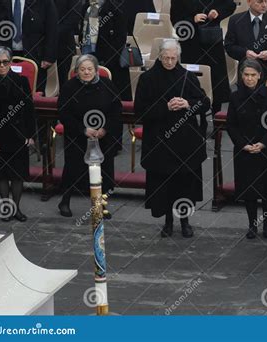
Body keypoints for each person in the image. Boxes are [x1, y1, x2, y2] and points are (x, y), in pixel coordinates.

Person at [134, 39, 210, 238]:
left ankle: (185, 222)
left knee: (185, 183)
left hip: (185, 141)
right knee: (164, 184)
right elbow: (140, 112)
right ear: (159, 56)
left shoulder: (187, 77)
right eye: (166, 58)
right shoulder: (148, 79)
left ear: (178, 58)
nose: (169, 62)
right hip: (159, 140)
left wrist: (187, 104)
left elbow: (204, 103)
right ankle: (168, 222)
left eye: (173, 58)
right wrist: (165, 108)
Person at [226, 59, 267, 239]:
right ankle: (252, 225)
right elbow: (231, 125)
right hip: (245, 149)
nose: (250, 79)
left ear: (260, 76)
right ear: (241, 76)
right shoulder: (235, 97)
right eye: (246, 75)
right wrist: (243, 144)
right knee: (249, 190)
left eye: (253, 75)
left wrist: (263, 143)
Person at [57, 54, 122, 217]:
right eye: (82, 69)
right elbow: (63, 113)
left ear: (96, 70)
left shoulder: (107, 85)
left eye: (89, 69)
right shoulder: (69, 87)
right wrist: (83, 129)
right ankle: (65, 201)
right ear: (77, 71)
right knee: (73, 167)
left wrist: (105, 129)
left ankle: (101, 206)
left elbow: (116, 110)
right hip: (78, 135)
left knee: (104, 171)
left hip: (103, 137)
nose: (86, 72)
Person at [0, 46, 36, 222]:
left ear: (10, 62)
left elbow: (29, 110)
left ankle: (16, 208)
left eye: (5, 62)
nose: (2, 66)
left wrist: (31, 135)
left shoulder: (21, 81)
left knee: (18, 174)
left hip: (19, 134)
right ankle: (6, 208)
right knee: (1, 174)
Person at [170, 0, 236, 114]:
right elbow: (175, 19)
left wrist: (218, 12)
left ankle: (216, 119)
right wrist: (193, 19)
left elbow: (230, 5)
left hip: (212, 41)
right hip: (190, 43)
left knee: (216, 81)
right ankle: (192, 117)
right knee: (191, 81)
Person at [0, 0, 58, 92]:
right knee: (3, 93)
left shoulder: (43, 2)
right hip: (3, 57)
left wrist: (48, 56)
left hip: (36, 56)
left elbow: (52, 29)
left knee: (34, 94)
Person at [224, 0, 267, 81]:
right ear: (249, 2)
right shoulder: (235, 20)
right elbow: (229, 46)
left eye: (266, 1)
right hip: (246, 74)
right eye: (259, 2)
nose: (264, 5)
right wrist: (244, 53)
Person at [80, 0, 132, 101]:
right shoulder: (86, 7)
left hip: (113, 60)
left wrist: (105, 61)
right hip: (91, 56)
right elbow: (82, 31)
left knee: (114, 99)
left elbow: (120, 38)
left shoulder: (116, 8)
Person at [55, 0, 82, 90]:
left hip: (64, 43)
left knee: (64, 81)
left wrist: (52, 32)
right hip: (41, 43)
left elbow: (74, 17)